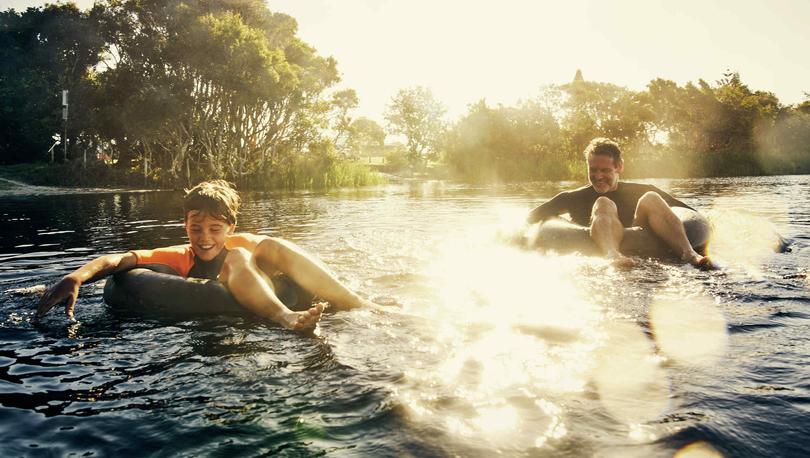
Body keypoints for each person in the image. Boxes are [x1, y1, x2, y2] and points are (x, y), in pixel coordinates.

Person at [35, 180, 374, 330]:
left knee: (258, 249)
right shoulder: (181, 255)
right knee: (237, 259)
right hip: (232, 301)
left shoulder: (245, 241)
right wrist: (76, 276)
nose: (205, 238)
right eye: (196, 228)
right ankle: (286, 318)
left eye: (215, 229)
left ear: (230, 226)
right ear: (185, 224)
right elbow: (120, 260)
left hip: (259, 284)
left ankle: (359, 304)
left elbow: (284, 254)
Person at [527, 138, 715, 269]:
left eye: (605, 170)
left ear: (619, 167)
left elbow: (688, 213)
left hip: (643, 239)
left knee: (652, 197)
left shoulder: (641, 190)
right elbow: (529, 219)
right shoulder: (571, 198)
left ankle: (689, 254)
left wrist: (706, 225)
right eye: (593, 170)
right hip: (602, 245)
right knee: (603, 203)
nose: (598, 176)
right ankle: (612, 253)